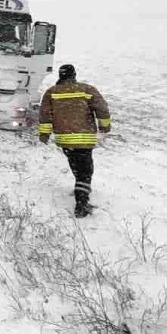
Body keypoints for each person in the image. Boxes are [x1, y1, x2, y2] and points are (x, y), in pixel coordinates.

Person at [38, 63, 111, 218]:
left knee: (77, 167)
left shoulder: (52, 92)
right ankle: (81, 206)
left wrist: (44, 134)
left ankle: (80, 189)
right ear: (74, 75)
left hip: (64, 139)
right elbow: (102, 109)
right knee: (86, 171)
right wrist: (105, 127)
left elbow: (45, 115)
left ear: (60, 75)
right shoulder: (87, 90)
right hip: (84, 138)